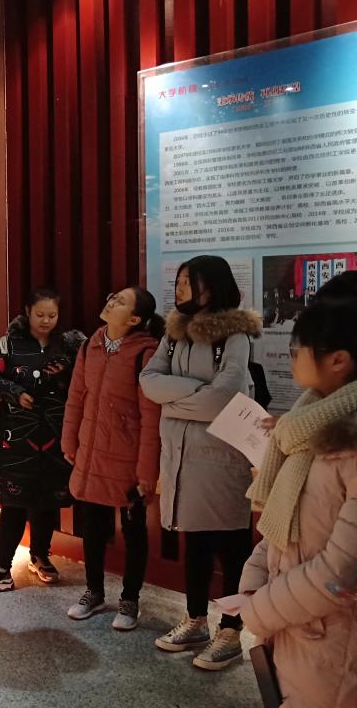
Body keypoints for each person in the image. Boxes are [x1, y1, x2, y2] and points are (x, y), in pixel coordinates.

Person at [140, 255, 262, 670]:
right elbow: (148, 381)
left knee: (232, 549)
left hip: (222, 459)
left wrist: (174, 402)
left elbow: (223, 397)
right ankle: (195, 620)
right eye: (179, 281)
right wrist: (195, 394)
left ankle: (231, 629)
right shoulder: (174, 332)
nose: (180, 289)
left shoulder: (234, 335)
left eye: (189, 281)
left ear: (214, 286)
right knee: (195, 545)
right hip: (182, 458)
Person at [239, 296, 357, 707]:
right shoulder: (308, 423)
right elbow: (285, 523)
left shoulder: (346, 441)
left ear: (338, 360)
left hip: (335, 644)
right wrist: (255, 579)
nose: (290, 355)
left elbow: (341, 572)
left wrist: (262, 610)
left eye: (297, 348)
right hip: (297, 629)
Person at [0, 289, 83, 595]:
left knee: (47, 501)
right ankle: (0, 569)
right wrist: (14, 392)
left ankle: (40, 556)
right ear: (28, 312)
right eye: (40, 314)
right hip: (16, 437)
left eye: (52, 315)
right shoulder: (8, 343)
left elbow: (82, 385)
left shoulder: (69, 346)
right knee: (14, 502)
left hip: (56, 436)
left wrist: (65, 374)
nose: (46, 321)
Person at [62, 288, 164, 631]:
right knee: (92, 525)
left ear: (134, 319)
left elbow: (151, 417)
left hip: (128, 456)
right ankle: (93, 591)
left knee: (133, 529)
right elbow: (76, 396)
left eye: (120, 302)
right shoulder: (91, 344)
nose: (111, 302)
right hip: (92, 451)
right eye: (113, 297)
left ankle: (130, 599)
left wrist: (146, 472)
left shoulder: (146, 352)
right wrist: (69, 439)